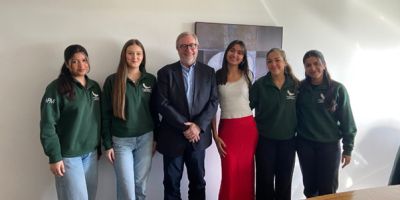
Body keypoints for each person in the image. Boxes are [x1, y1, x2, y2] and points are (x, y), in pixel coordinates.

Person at [155, 32, 218, 200]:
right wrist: (187, 126)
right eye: (184, 45)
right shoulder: (165, 72)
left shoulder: (209, 72)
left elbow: (213, 102)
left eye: (192, 45)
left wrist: (197, 126)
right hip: (172, 138)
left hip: (198, 138)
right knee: (171, 184)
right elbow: (162, 103)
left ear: (197, 48)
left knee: (198, 183)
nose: (188, 49)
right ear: (177, 49)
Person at [40, 44, 101, 200]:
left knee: (89, 196)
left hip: (91, 154)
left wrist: (99, 147)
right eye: (75, 61)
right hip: (68, 156)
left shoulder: (94, 87)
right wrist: (54, 156)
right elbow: (48, 124)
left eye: (84, 60)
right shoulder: (56, 88)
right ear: (67, 64)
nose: (81, 65)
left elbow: (98, 119)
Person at [102, 39, 158, 200]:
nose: (135, 57)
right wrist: (107, 144)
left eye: (138, 53)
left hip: (145, 138)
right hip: (121, 141)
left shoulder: (150, 80)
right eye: (131, 53)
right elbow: (105, 114)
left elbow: (155, 111)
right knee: (126, 187)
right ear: (124, 56)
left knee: (141, 186)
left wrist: (156, 138)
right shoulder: (112, 81)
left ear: (143, 56)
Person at [296, 50, 357, 198]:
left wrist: (348, 149)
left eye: (316, 63)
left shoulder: (337, 89)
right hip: (305, 145)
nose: (313, 68)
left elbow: (347, 119)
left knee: (328, 189)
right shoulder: (300, 88)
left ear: (324, 65)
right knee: (310, 188)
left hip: (329, 147)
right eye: (308, 65)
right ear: (305, 68)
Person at [249, 48, 299, 200]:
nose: (273, 64)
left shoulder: (296, 85)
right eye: (269, 61)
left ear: (284, 62)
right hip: (265, 141)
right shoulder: (259, 85)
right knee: (264, 182)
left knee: (284, 183)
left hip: (288, 141)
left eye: (277, 60)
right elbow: (245, 109)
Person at [211, 40, 258, 200]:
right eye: (232, 50)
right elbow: (212, 108)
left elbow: (252, 102)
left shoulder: (249, 75)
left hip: (247, 129)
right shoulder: (216, 76)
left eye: (239, 52)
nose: (235, 54)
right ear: (226, 53)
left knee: (246, 173)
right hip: (227, 130)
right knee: (229, 173)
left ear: (243, 57)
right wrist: (215, 136)